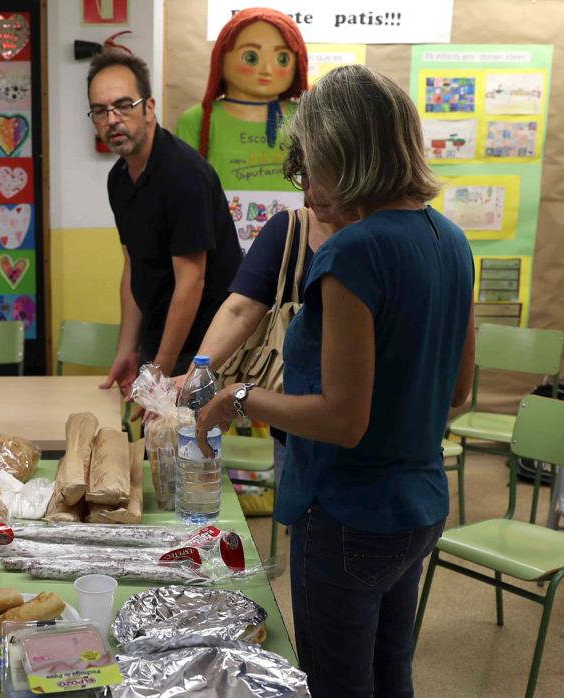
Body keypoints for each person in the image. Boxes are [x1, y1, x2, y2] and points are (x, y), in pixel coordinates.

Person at [195, 65, 477, 697]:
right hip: (419, 506)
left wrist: (241, 396)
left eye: (309, 166)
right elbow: (458, 391)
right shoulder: (451, 240)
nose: (305, 188)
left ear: (348, 157)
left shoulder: (353, 252)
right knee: (389, 672)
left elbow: (342, 419)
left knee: (335, 682)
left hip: (350, 512)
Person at [88, 50, 242, 395]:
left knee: (190, 446)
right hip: (160, 339)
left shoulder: (184, 175)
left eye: (124, 105)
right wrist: (128, 350)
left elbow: (191, 280)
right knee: (152, 445)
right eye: (100, 110)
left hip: (204, 348)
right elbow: (133, 265)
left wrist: (159, 370)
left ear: (149, 108)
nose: (112, 119)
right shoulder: (119, 179)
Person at [178, 142, 333, 481]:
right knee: (301, 521)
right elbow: (239, 310)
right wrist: (195, 376)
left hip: (349, 434)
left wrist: (237, 395)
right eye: (303, 175)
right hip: (293, 427)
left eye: (320, 174)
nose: (311, 189)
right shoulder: (290, 229)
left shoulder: (371, 247)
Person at [175, 8, 308, 249]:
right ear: (221, 58)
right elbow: (184, 192)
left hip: (292, 245)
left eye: (282, 59)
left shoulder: (306, 117)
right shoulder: (198, 119)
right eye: (251, 57)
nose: (267, 69)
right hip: (220, 246)